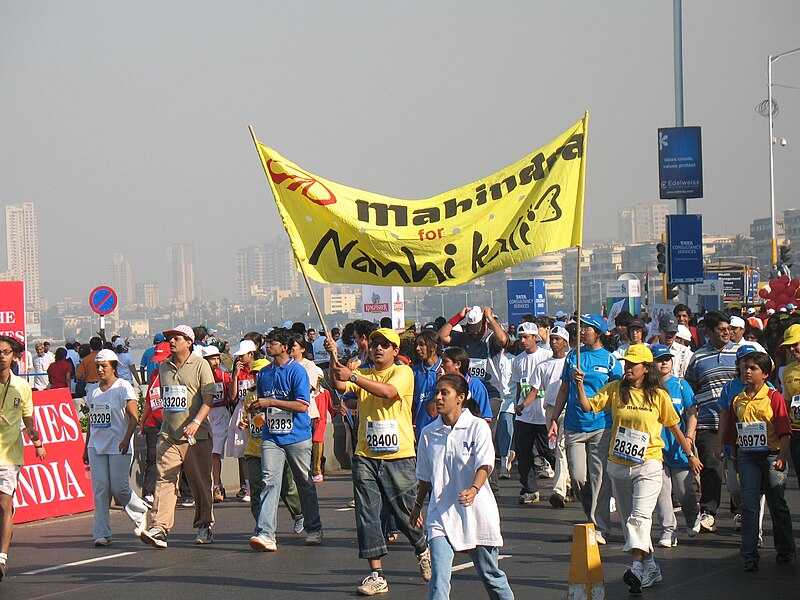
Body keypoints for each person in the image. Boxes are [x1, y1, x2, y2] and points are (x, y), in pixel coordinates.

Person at [576, 345, 702, 594]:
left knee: (640, 517)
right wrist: (579, 384)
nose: (628, 367)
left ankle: (635, 566)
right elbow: (589, 407)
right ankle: (651, 565)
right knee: (627, 521)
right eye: (626, 363)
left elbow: (675, 426)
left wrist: (690, 455)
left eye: (633, 364)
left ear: (646, 368)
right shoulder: (615, 389)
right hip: (619, 465)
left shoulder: (658, 395)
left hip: (649, 463)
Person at [328, 327, 431, 596]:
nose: (378, 348)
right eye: (374, 344)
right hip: (366, 455)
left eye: (385, 345)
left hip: (399, 456)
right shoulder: (362, 372)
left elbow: (387, 392)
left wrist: (354, 376)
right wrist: (333, 359)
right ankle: (377, 574)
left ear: (395, 351)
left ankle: (422, 547)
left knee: (406, 514)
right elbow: (339, 384)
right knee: (367, 514)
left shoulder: (403, 372)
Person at [412, 375, 514, 600]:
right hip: (441, 515)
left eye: (444, 393)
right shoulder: (429, 433)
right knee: (438, 579)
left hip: (476, 513)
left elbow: (485, 464)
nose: (438, 397)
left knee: (491, 575)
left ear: (460, 398)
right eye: (436, 392)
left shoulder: (477, 427)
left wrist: (474, 489)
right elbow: (425, 476)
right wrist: (418, 506)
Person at [140, 325, 217, 548]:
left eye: (177, 338)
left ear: (189, 342)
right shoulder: (163, 367)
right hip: (169, 434)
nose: (171, 342)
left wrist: (196, 422)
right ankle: (159, 528)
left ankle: (204, 525)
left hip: (197, 436)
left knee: (200, 482)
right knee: (165, 479)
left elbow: (208, 398)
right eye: (170, 338)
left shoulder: (201, 365)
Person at [548, 314, 622, 544]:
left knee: (599, 479)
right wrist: (553, 417)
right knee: (579, 477)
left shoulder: (610, 360)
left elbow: (619, 391)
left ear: (597, 332)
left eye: (586, 329)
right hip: (574, 425)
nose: (581, 332)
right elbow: (563, 388)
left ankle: (600, 526)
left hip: (601, 425)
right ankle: (593, 513)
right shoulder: (573, 356)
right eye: (580, 328)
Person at [250, 328, 323, 551]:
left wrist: (271, 402)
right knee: (269, 481)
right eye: (267, 342)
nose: (267, 346)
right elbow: (264, 402)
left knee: (303, 481)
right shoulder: (264, 373)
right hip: (272, 435)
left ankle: (314, 527)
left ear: (284, 347)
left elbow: (302, 405)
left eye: (272, 343)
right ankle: (266, 534)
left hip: (297, 436)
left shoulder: (297, 372)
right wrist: (259, 410)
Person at [722, 351, 795, 571]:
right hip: (747, 456)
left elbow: (784, 430)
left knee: (777, 503)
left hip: (772, 455)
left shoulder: (774, 398)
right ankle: (749, 555)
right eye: (745, 367)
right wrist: (734, 456)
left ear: (764, 374)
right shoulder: (738, 399)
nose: (747, 371)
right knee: (749, 505)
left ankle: (785, 549)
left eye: (753, 368)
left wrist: (782, 455)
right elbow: (734, 432)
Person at [83, 349, 148, 545]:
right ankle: (102, 533)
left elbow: (133, 417)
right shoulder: (92, 391)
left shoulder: (123, 387)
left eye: (104, 366)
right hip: (96, 446)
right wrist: (86, 447)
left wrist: (126, 439)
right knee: (100, 489)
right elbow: (91, 422)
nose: (100, 370)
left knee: (119, 488)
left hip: (118, 445)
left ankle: (140, 512)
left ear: (114, 367)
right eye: (98, 366)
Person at [237, 356, 306, 540]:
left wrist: (271, 410)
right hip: (254, 449)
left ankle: (298, 514)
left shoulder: (277, 392)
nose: (257, 377)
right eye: (254, 374)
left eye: (260, 373)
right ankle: (262, 529)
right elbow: (247, 416)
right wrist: (244, 422)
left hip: (277, 445)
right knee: (257, 489)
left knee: (286, 487)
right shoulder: (250, 395)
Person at [684, 310, 737, 533]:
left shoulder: (739, 354)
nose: (727, 333)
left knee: (738, 472)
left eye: (729, 329)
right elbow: (690, 389)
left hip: (736, 423)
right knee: (711, 469)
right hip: (708, 421)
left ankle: (741, 511)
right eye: (722, 330)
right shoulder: (697, 358)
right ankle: (708, 513)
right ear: (709, 332)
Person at [0, 336, 46, 580]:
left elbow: (29, 419)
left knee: (4, 503)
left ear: (13, 356)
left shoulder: (22, 387)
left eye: (6, 352)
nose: (1, 356)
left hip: (9, 454)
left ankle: (2, 557)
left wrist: (37, 442)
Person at [650, 344, 699, 547]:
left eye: (667, 359)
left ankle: (692, 516)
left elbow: (691, 412)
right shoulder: (647, 388)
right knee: (662, 490)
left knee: (683, 490)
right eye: (660, 359)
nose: (664, 362)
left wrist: (689, 437)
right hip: (656, 447)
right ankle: (668, 530)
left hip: (678, 446)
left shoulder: (681, 385)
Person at [524, 325, 570, 508]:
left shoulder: (571, 362)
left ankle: (559, 490)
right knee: (555, 448)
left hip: (568, 410)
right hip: (550, 411)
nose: (554, 342)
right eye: (552, 338)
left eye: (558, 339)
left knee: (561, 448)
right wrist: (523, 405)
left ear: (565, 343)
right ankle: (567, 483)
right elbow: (534, 390)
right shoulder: (542, 365)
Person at [509, 322, 553, 504]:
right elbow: (520, 386)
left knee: (549, 452)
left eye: (526, 337)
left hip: (543, 416)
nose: (523, 341)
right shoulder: (518, 360)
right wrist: (518, 406)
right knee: (524, 453)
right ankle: (529, 489)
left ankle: (566, 483)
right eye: (520, 338)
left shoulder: (547, 356)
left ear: (536, 337)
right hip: (524, 416)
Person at [137, 340, 171, 506]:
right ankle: (148, 493)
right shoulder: (154, 375)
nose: (159, 363)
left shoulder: (176, 374)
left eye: (163, 359)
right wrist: (142, 423)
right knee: (152, 458)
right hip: (153, 422)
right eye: (158, 360)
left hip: (171, 423)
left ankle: (186, 493)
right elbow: (150, 401)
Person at [202, 345, 232, 503]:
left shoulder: (224, 376)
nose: (215, 361)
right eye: (211, 358)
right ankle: (210, 485)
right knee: (207, 453)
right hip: (205, 415)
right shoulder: (200, 377)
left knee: (215, 453)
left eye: (217, 358)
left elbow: (231, 395)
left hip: (220, 414)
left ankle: (217, 485)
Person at [780, 324, 800, 488]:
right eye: (789, 346)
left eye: (795, 344)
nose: (792, 349)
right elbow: (787, 402)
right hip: (797, 431)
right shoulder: (787, 371)